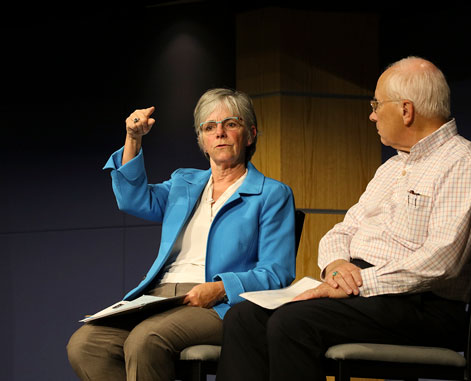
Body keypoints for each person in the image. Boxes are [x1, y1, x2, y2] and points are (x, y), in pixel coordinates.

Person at [216, 56, 471, 381]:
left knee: (292, 323)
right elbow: (342, 231)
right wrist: (337, 266)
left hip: (422, 305)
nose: (372, 114)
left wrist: (361, 282)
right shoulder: (391, 168)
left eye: (377, 105)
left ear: (406, 110)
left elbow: (441, 261)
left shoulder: (463, 162)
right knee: (244, 318)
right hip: (366, 293)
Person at [66, 88, 297, 381]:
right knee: (86, 345)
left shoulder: (272, 194)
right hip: (159, 297)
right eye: (210, 127)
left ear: (250, 134)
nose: (220, 133)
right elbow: (132, 200)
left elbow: (277, 272)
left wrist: (220, 288)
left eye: (231, 124)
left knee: (145, 340)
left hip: (217, 305)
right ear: (202, 141)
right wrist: (133, 139)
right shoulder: (184, 183)